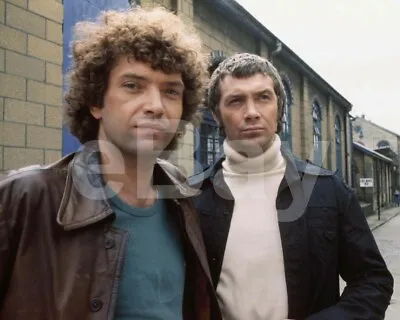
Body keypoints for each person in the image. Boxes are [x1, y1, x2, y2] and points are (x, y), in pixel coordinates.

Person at [0, 7, 218, 320]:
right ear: (95, 101)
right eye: (133, 86)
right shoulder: (24, 200)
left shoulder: (183, 204)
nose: (156, 106)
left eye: (171, 91)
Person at [189, 53, 393, 320]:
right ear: (217, 115)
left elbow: (373, 282)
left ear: (279, 108)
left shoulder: (327, 191)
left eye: (263, 97)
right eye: (236, 101)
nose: (251, 112)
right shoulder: (192, 198)